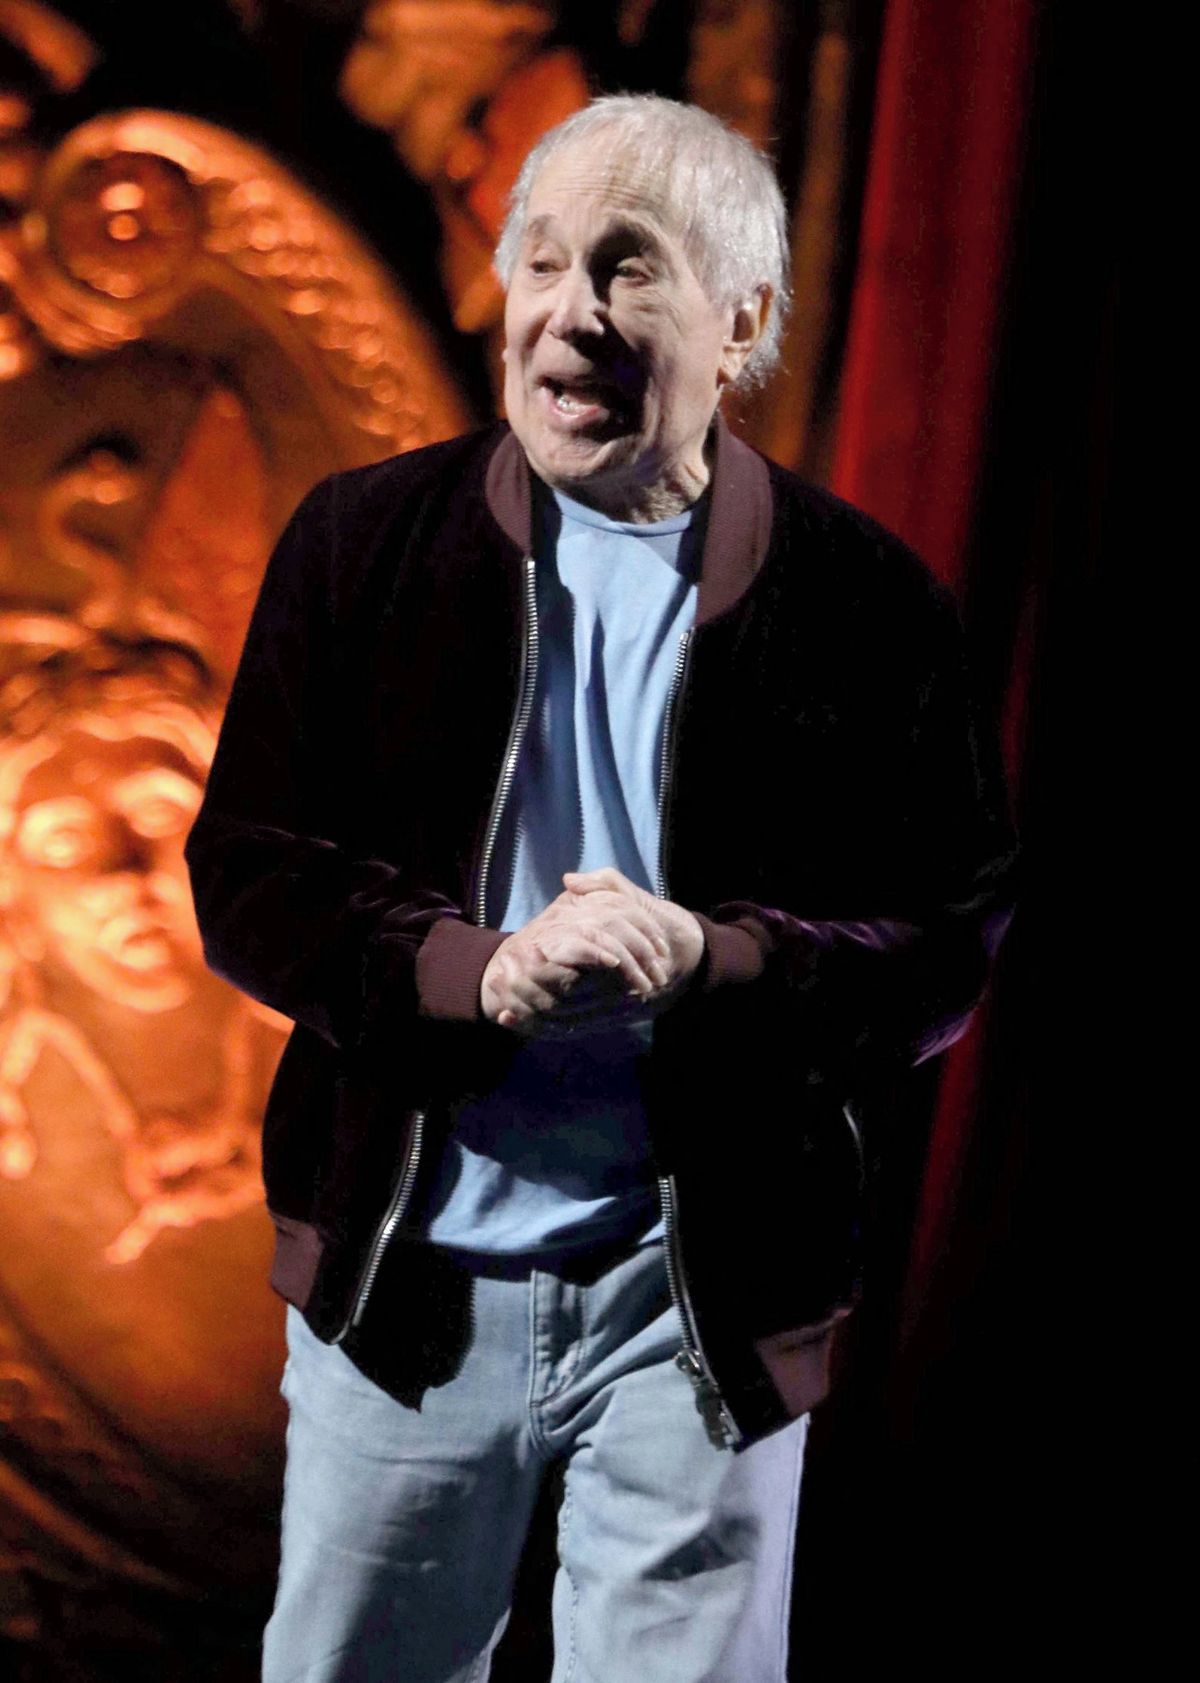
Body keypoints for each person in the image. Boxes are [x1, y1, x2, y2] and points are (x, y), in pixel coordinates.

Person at [184, 94, 1018, 1683]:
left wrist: (717, 958)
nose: (573, 311)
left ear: (741, 321)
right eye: (545, 262)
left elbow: (944, 942)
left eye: (630, 268)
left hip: (700, 1297)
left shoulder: (868, 603)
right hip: (413, 1275)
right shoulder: (361, 545)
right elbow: (249, 871)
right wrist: (470, 970)